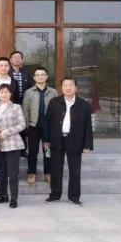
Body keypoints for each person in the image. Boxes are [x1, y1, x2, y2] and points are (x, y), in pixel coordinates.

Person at [43, 78, 94, 207]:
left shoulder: (83, 104)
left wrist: (87, 144)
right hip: (57, 139)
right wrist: (46, 140)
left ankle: (74, 197)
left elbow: (88, 126)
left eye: (71, 85)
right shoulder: (54, 102)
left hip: (75, 140)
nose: (68, 88)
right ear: (61, 88)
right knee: (56, 169)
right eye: (65, 85)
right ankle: (54, 195)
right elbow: (47, 122)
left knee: (75, 170)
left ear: (76, 87)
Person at [0, 84, 26, 209]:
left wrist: (6, 132)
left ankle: (14, 198)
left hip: (12, 143)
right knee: (1, 172)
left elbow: (22, 124)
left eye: (6, 92)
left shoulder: (16, 107)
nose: (4, 94)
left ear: (11, 94)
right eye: (1, 92)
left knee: (13, 173)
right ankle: (3, 195)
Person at [22, 66, 57, 184]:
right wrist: (28, 125)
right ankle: (31, 172)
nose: (40, 77)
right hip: (34, 126)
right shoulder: (29, 92)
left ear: (47, 77)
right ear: (34, 77)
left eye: (43, 74)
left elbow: (57, 110)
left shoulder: (53, 92)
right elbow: (25, 109)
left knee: (48, 151)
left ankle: (48, 172)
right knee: (33, 151)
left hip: (48, 127)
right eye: (37, 75)